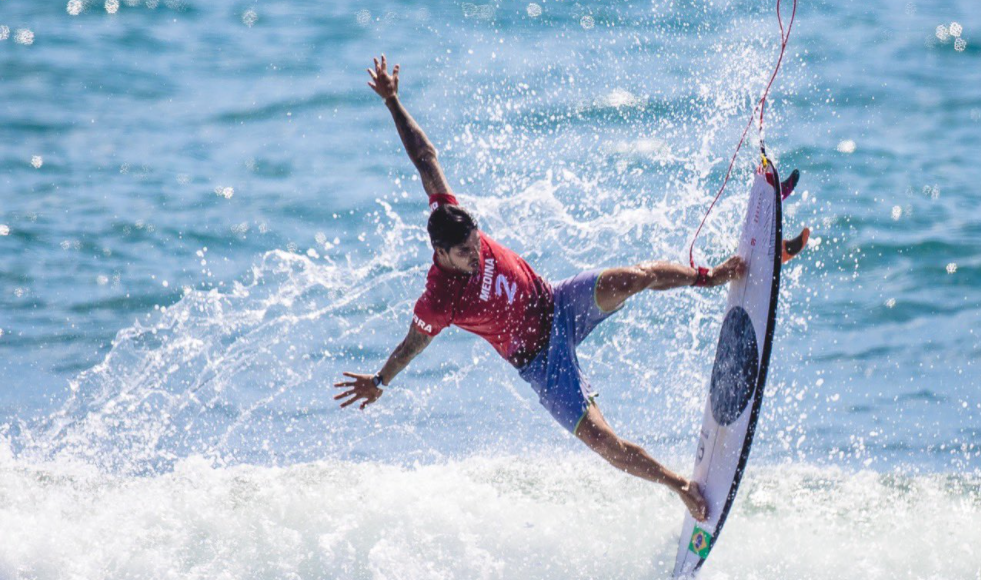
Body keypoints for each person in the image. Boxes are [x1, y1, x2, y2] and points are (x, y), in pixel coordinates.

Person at [334, 55, 752, 522]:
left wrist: (393, 101)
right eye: (466, 254)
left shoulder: (448, 212)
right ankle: (678, 485)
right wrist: (380, 380)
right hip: (539, 363)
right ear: (441, 254)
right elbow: (413, 344)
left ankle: (708, 278)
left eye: (477, 244)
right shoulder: (438, 300)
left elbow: (424, 157)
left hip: (558, 302)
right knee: (603, 442)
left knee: (636, 278)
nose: (476, 255)